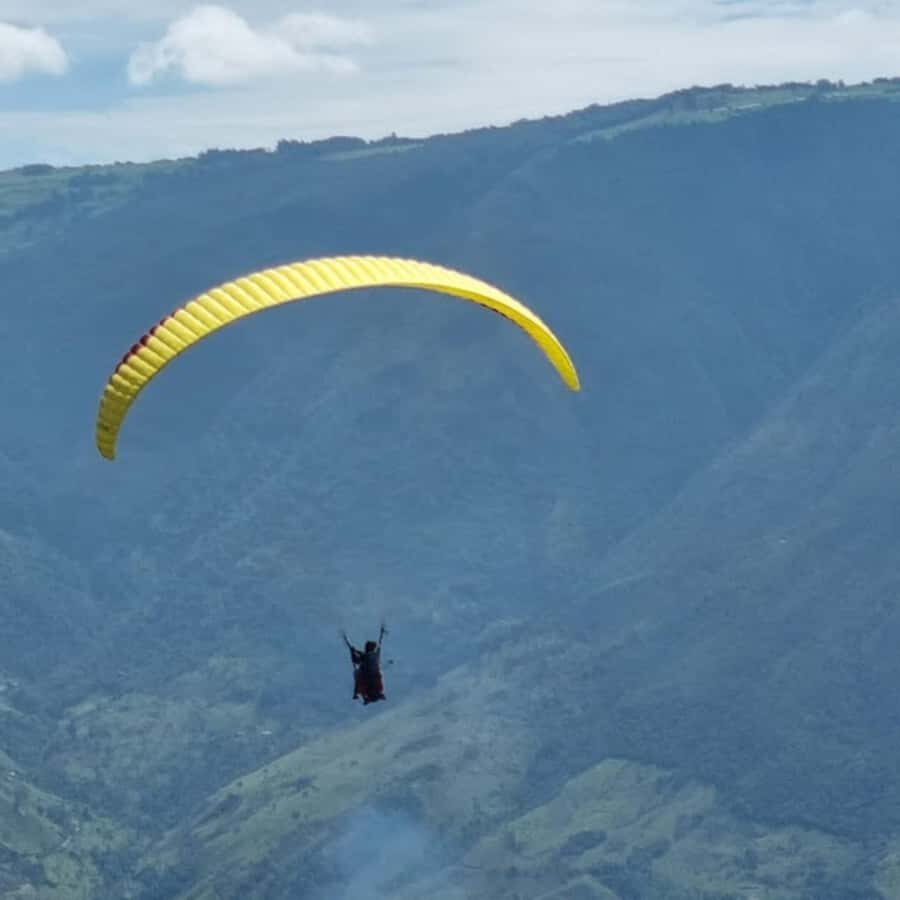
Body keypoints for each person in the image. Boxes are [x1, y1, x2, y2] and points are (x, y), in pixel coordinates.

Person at [342, 625, 387, 705]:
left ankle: (352, 648)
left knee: (357, 669)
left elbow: (358, 680)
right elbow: (358, 682)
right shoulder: (367, 690)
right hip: (369, 670)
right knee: (357, 669)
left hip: (368, 670)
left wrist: (353, 651)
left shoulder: (376, 688)